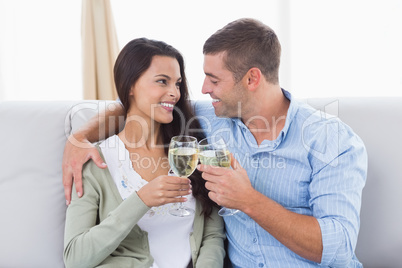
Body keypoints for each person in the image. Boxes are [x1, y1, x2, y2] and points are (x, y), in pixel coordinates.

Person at [63, 18, 367, 267]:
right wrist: (79, 138)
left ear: (251, 79)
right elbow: (146, 106)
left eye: (214, 79)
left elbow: (337, 247)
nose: (203, 89)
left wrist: (249, 201)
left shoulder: (330, 138)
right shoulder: (209, 119)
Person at [63, 38, 225, 268]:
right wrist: (141, 200)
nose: (174, 93)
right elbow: (75, 258)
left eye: (177, 84)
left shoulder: (189, 152)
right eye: (162, 81)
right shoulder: (96, 162)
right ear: (130, 86)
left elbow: (212, 235)